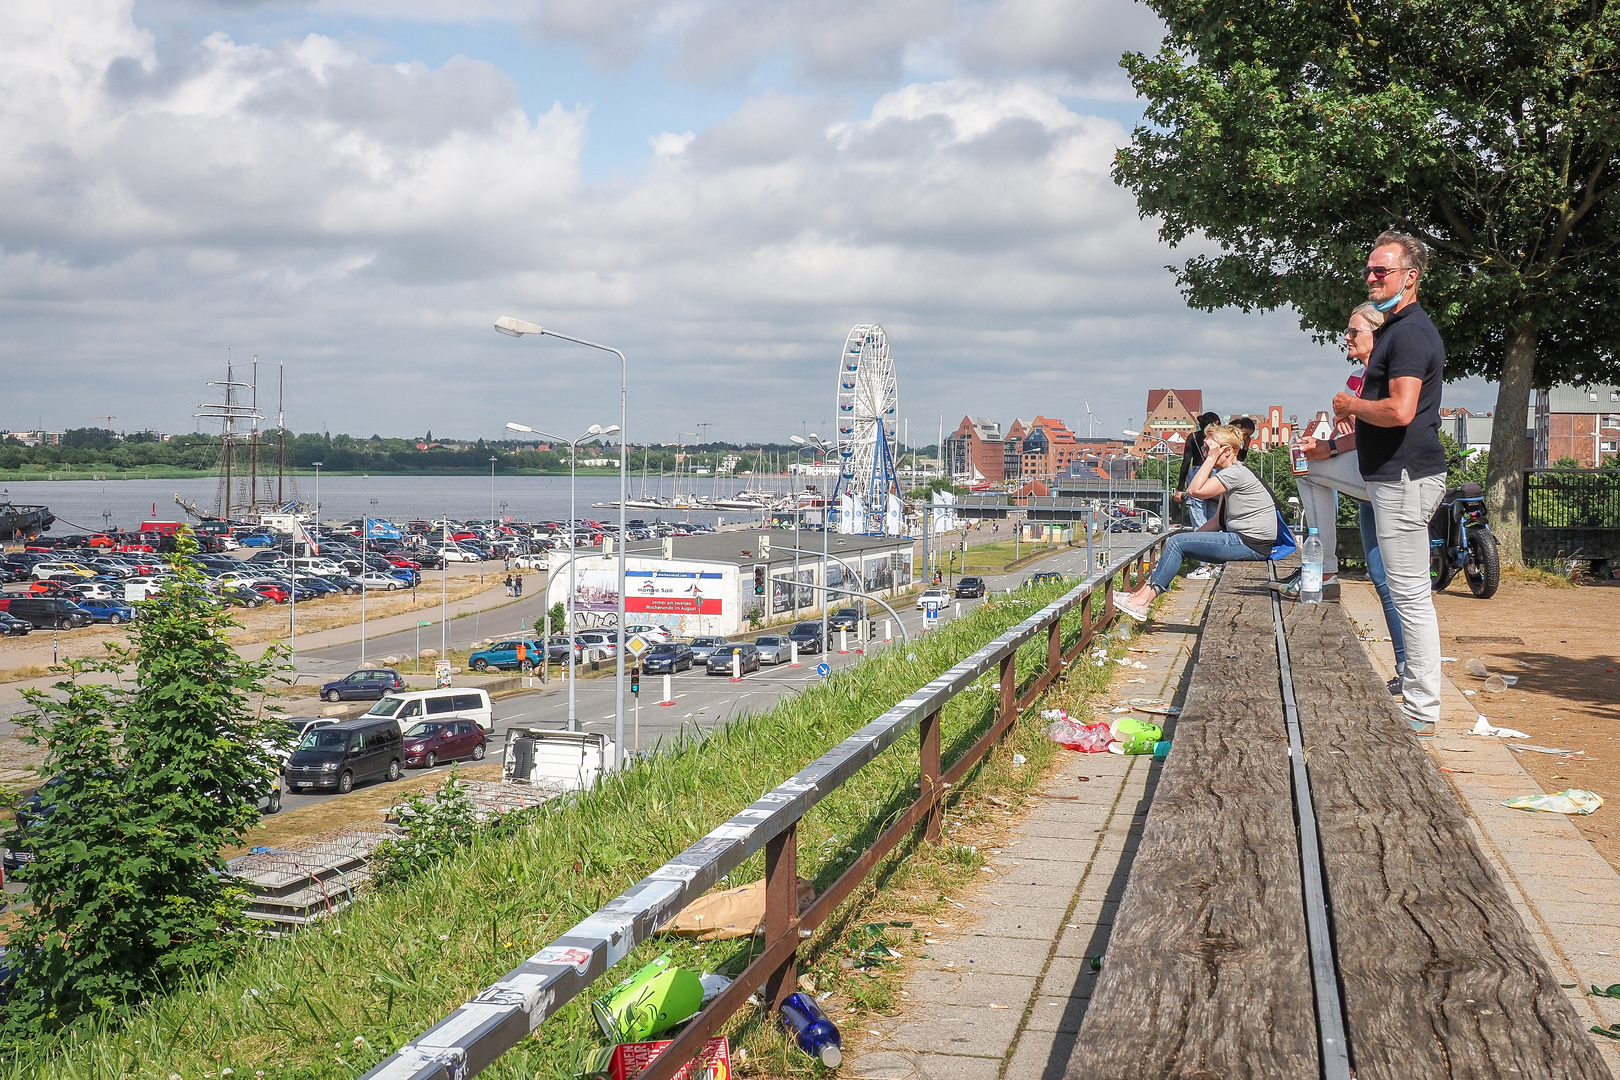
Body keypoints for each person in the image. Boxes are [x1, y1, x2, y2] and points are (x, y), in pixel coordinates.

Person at [1332, 231, 1447, 730]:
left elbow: (1400, 410)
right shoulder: (1398, 329)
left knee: (1409, 595)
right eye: (1369, 270)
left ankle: (1421, 709)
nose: (1373, 278)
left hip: (1404, 478)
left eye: (1383, 271)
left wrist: (1349, 405)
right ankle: (1320, 563)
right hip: (1393, 477)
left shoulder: (1409, 334)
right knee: (1407, 592)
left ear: (1410, 277)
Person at [1284, 302, 1407, 685]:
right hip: (1369, 475)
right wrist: (1326, 443)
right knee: (1382, 577)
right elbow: (1355, 434)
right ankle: (1405, 668)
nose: (1347, 337)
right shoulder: (1358, 378)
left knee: (1305, 468)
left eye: (1355, 331)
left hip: (1387, 475)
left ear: (1378, 333)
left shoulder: (1390, 377)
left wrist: (1329, 450)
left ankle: (1323, 566)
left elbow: (1382, 429)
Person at [1113, 425, 1276, 620]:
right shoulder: (1233, 473)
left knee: (1176, 543)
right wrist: (1191, 539)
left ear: (1227, 451)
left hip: (1250, 543)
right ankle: (1138, 596)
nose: (1205, 452)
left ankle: (1142, 602)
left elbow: (1194, 491)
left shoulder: (1235, 473)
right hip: (1247, 541)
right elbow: (1217, 521)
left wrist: (1209, 459)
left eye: (1209, 448)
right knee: (1178, 541)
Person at [1173, 411, 1222, 528]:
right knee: (1214, 518)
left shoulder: (1193, 437)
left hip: (1197, 475)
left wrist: (1180, 489)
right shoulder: (1219, 439)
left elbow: (1186, 463)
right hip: (1215, 474)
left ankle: (1200, 539)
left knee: (1198, 512)